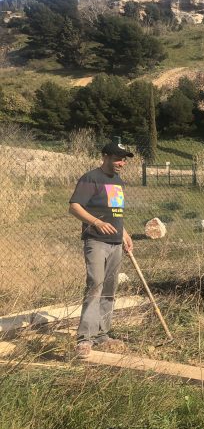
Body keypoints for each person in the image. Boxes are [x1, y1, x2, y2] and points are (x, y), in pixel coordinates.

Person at [68, 141, 134, 359]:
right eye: (118, 158)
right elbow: (74, 207)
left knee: (109, 289)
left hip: (116, 242)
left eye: (124, 159)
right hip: (96, 241)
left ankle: (102, 335)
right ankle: (84, 340)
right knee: (95, 285)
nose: (122, 163)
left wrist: (124, 233)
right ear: (105, 156)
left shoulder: (117, 181)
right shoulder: (91, 178)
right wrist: (96, 222)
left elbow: (116, 212)